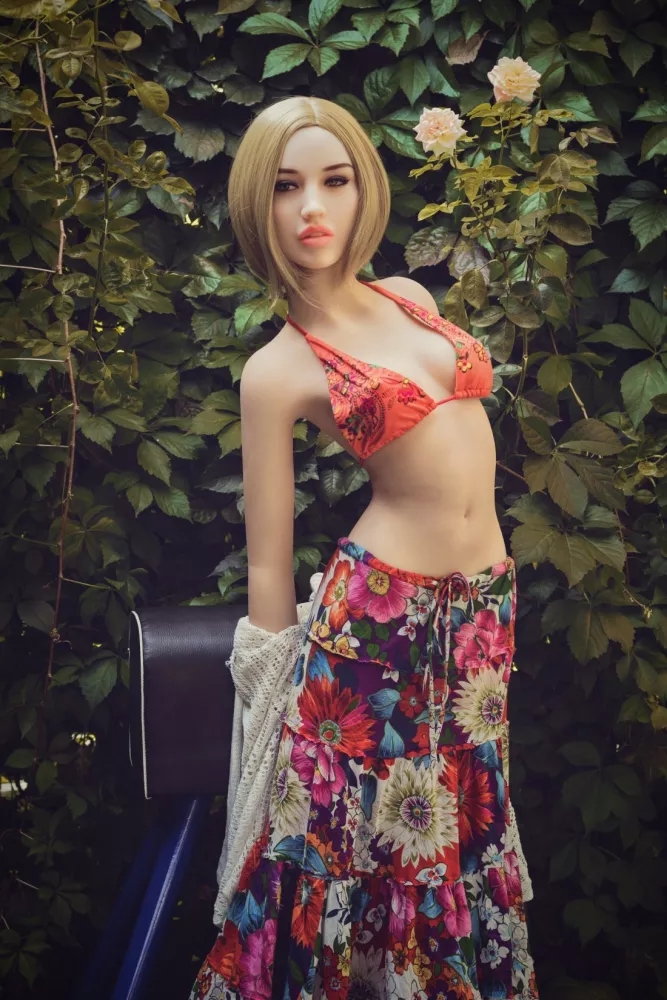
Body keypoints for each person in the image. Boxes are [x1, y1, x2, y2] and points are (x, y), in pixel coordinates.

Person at [189, 95, 538, 1000]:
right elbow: (268, 564)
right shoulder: (277, 370)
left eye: (334, 181)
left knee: (456, 830)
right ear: (256, 203)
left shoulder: (408, 299)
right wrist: (272, 711)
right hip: (377, 629)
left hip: (479, 618)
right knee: (356, 846)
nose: (312, 207)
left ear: (362, 190)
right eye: (285, 186)